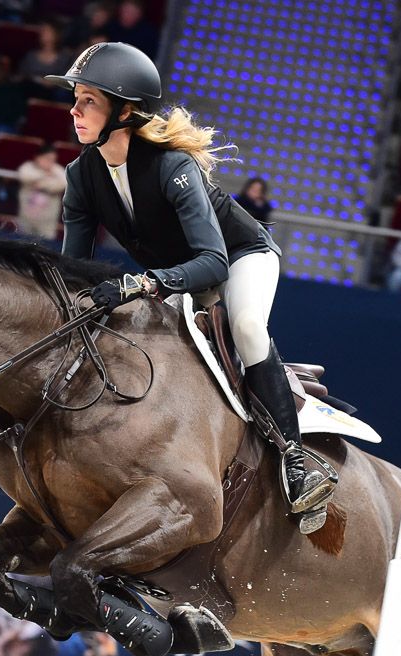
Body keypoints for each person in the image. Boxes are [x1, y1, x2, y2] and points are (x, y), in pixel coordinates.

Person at [47, 42, 335, 528]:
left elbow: (214, 264)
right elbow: (72, 268)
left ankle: (296, 461)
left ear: (124, 111)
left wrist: (140, 284)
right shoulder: (82, 176)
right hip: (178, 275)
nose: (74, 111)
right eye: (75, 99)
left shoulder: (171, 166)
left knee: (246, 326)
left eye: (88, 101)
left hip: (238, 256)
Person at [17, 142, 67, 238]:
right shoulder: (28, 167)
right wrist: (46, 176)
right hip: (26, 218)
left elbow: (63, 183)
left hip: (47, 223)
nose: (50, 162)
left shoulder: (57, 170)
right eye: (47, 159)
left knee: (45, 244)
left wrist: (42, 184)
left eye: (53, 160)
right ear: (38, 157)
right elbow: (24, 176)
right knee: (22, 241)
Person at [18, 23, 69, 102]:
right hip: (31, 88)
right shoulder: (31, 56)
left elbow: (65, 79)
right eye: (42, 31)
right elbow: (22, 75)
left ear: (56, 34)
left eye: (48, 31)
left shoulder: (64, 58)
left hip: (54, 91)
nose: (44, 34)